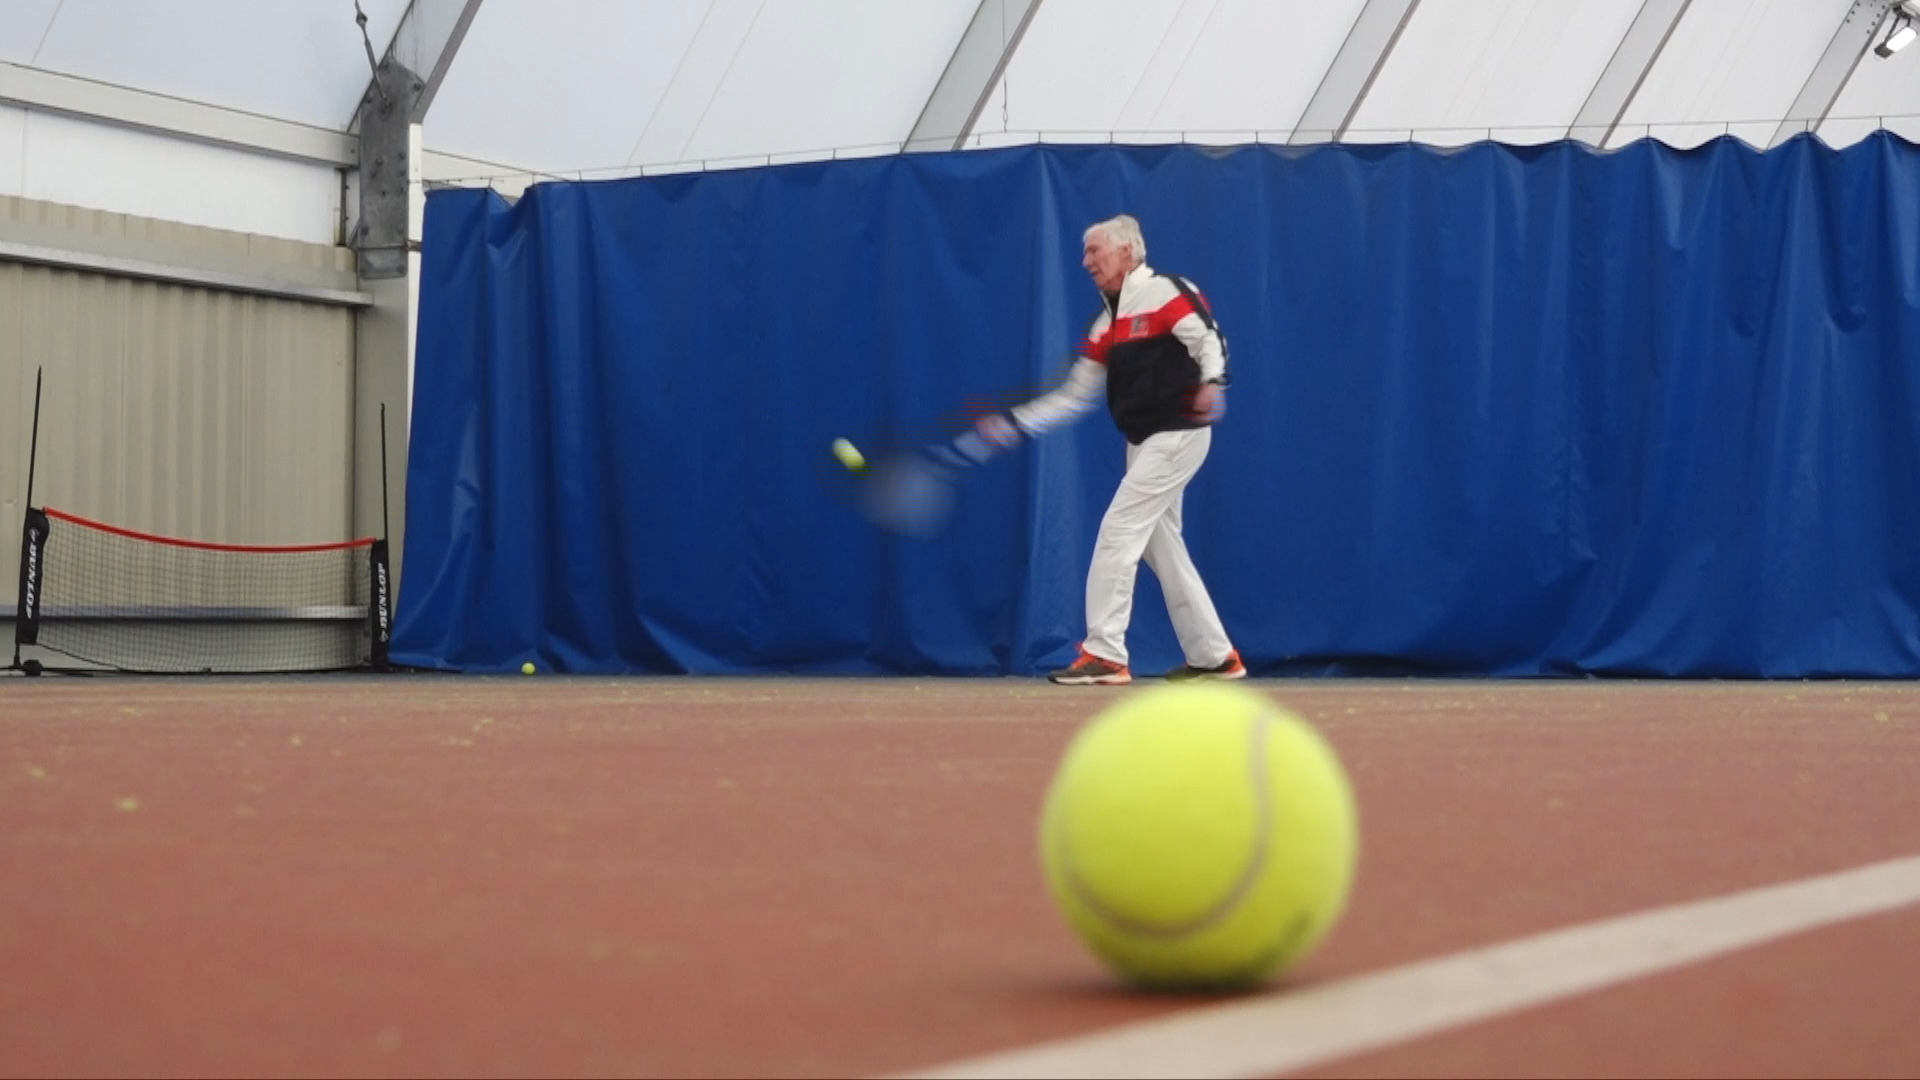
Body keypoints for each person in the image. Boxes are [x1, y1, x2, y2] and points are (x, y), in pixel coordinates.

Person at [975, 214, 1245, 686]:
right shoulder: (1108, 324)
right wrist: (1018, 423)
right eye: (1084, 253)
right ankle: (1215, 655)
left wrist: (1213, 382)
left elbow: (1208, 339)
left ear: (1127, 251)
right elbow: (1074, 395)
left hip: (1179, 434)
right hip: (1141, 443)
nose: (1085, 262)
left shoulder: (1165, 291)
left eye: (1094, 251)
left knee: (1118, 532)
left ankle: (1106, 652)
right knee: (1162, 548)